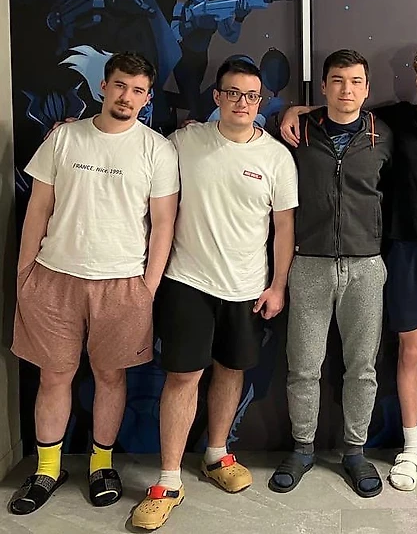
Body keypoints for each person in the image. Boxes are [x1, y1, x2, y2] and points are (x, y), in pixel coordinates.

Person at [281, 41, 417, 492]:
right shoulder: (394, 121)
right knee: (408, 352)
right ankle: (410, 448)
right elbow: (344, 108)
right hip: (403, 248)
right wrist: (296, 109)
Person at [9, 52, 179, 515]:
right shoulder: (64, 137)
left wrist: (147, 287)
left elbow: (164, 223)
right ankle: (47, 469)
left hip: (123, 283)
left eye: (138, 90)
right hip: (54, 276)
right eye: (120, 85)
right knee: (53, 376)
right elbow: (37, 207)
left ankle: (101, 465)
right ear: (104, 86)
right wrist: (25, 272)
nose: (127, 97)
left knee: (111, 376)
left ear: (147, 98)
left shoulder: (157, 150)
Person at [131, 59, 297, 531]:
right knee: (182, 377)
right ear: (218, 97)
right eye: (234, 93)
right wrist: (71, 127)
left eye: (252, 95)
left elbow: (284, 228)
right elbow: (135, 149)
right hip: (187, 282)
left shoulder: (276, 158)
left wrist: (277, 285)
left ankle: (217, 455)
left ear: (260, 101)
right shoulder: (184, 143)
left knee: (231, 370)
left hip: (246, 288)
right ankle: (168, 481)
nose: (243, 102)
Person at [268, 50, 392, 498]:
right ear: (323, 87)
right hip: (309, 263)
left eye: (356, 81)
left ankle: (355, 451)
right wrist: (291, 110)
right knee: (303, 366)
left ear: (367, 89)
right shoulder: (298, 131)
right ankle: (303, 448)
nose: (346, 90)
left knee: (362, 367)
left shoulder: (384, 134)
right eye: (337, 81)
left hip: (366, 265)